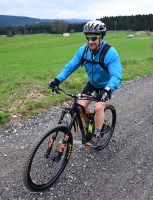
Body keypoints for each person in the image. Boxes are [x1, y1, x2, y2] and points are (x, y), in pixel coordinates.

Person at [49, 20, 122, 148]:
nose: (90, 41)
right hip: (92, 84)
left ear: (101, 38)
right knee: (77, 107)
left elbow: (116, 76)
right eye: (88, 38)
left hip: (105, 86)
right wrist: (58, 80)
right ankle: (91, 124)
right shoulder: (83, 51)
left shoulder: (110, 53)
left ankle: (97, 135)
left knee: (99, 108)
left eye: (94, 38)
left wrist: (107, 90)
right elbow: (71, 66)